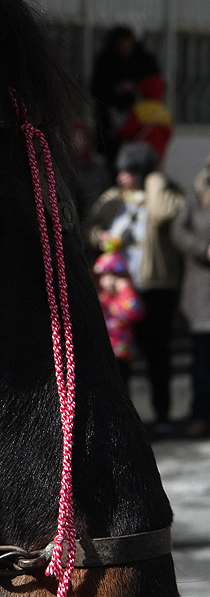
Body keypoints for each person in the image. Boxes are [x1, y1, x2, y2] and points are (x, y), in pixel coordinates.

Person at [86, 142, 184, 434]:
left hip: (155, 287)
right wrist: (100, 236)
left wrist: (154, 181)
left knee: (158, 353)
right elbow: (88, 227)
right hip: (118, 293)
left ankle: (163, 416)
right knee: (119, 358)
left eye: (128, 171)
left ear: (142, 173)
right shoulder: (113, 199)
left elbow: (166, 213)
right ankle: (124, 421)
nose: (120, 178)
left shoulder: (163, 193)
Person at [171, 157, 210, 438]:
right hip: (202, 291)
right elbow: (178, 232)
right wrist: (203, 249)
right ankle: (200, 414)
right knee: (202, 359)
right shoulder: (194, 199)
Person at [90, 26, 160, 171]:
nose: (125, 49)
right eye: (122, 45)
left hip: (135, 143)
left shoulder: (142, 63)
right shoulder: (106, 63)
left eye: (128, 45)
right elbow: (96, 89)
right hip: (109, 124)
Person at [93, 250, 145, 386]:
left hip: (123, 352)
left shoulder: (125, 295)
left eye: (114, 275)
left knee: (123, 385)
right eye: (105, 275)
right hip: (103, 351)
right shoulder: (100, 297)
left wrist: (124, 289)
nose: (109, 280)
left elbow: (136, 312)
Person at [115, 74, 173, 165]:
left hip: (139, 154)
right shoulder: (164, 112)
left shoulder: (138, 110)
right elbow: (168, 134)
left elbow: (128, 131)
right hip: (158, 153)